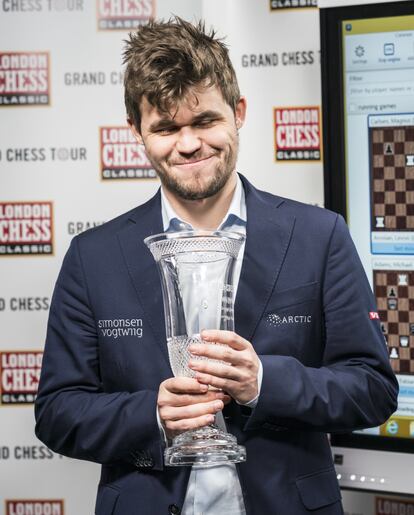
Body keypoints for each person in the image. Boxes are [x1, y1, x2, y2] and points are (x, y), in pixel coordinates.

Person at [35, 17, 398, 515]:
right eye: (166, 127)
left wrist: (263, 382)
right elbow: (57, 413)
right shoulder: (92, 257)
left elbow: (373, 389)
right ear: (137, 132)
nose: (187, 144)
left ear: (239, 111)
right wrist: (152, 414)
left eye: (204, 121)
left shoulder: (319, 236)